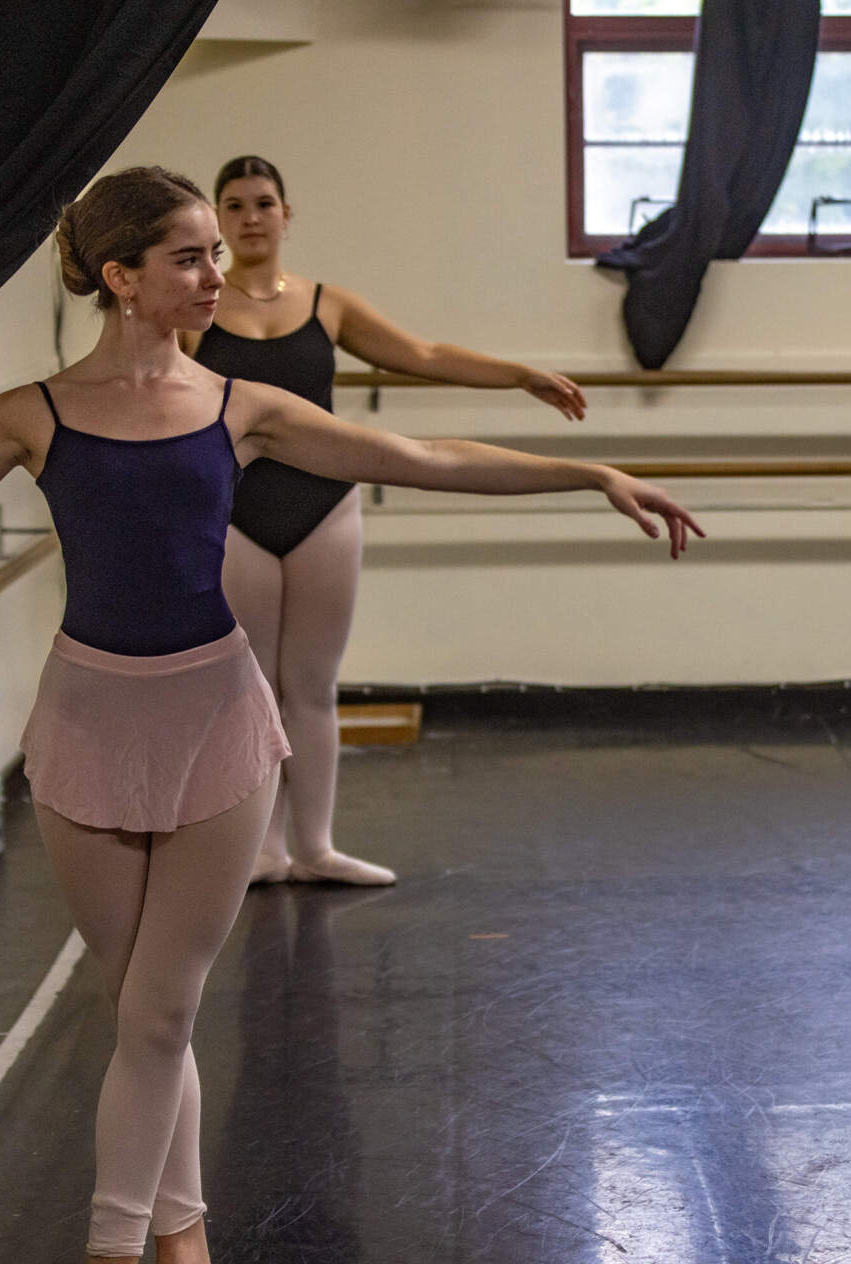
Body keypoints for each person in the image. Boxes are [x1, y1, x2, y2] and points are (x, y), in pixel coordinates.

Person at [0, 165, 701, 1264]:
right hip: (86, 726)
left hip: (217, 723)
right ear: (122, 278)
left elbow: (422, 461)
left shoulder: (244, 410)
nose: (217, 273)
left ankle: (113, 1256)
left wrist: (590, 475)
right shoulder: (28, 416)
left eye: (217, 253)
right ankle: (185, 1243)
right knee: (145, 1015)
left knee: (160, 1010)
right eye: (191, 256)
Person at [185, 155, 589, 887]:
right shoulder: (199, 309)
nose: (250, 217)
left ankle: (314, 846)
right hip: (235, 512)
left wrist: (520, 373)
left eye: (264, 203)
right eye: (235, 205)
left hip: (326, 506)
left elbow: (423, 354)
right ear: (217, 219)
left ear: (286, 214)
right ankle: (262, 849)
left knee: (312, 683)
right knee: (250, 688)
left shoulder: (326, 304)